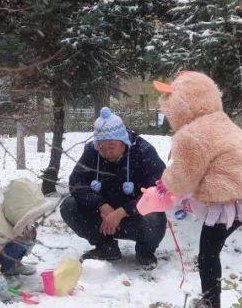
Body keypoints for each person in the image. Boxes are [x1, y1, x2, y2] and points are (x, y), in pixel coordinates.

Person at [153, 71, 242, 308]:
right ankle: (210, 307)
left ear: (182, 104)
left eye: (170, 104)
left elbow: (182, 178)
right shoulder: (219, 121)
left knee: (207, 256)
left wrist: (164, 182)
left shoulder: (191, 136)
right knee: (210, 252)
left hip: (225, 200)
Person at [60, 107, 167, 268]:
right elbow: (76, 182)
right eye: (101, 148)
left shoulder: (144, 151)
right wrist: (100, 205)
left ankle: (145, 250)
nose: (107, 153)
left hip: (135, 216)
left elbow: (159, 190)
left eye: (111, 147)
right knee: (69, 206)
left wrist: (123, 211)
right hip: (103, 216)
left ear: (123, 141)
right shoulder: (92, 151)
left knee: (154, 218)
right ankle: (105, 247)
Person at [0, 178, 57, 279]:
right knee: (19, 243)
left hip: (1, 250)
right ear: (17, 210)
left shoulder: (11, 216)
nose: (32, 221)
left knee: (30, 233)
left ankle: (13, 266)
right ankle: (2, 271)